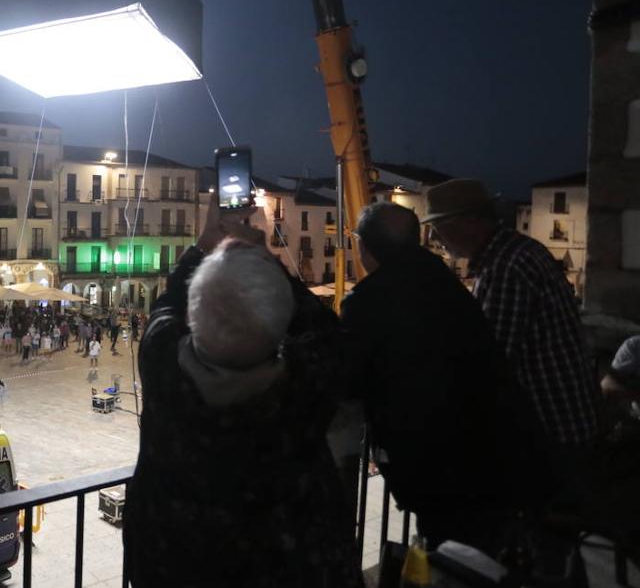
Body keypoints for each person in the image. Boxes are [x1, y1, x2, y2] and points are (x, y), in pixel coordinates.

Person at [124, 200, 362, 588]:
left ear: (194, 319)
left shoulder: (162, 363)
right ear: (281, 318)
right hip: (290, 567)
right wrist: (263, 259)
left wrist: (204, 246)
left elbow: (166, 305)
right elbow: (328, 333)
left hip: (174, 567)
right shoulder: (307, 381)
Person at [341, 202, 548, 550]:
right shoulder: (443, 281)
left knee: (454, 555)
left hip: (437, 468)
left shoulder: (367, 303)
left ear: (363, 246)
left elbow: (346, 378)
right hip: (494, 453)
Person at [422, 180, 599, 466]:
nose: (434, 235)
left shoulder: (505, 269)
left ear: (470, 221)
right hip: (565, 426)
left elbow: (490, 359)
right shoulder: (520, 251)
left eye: (439, 225)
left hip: (548, 436)